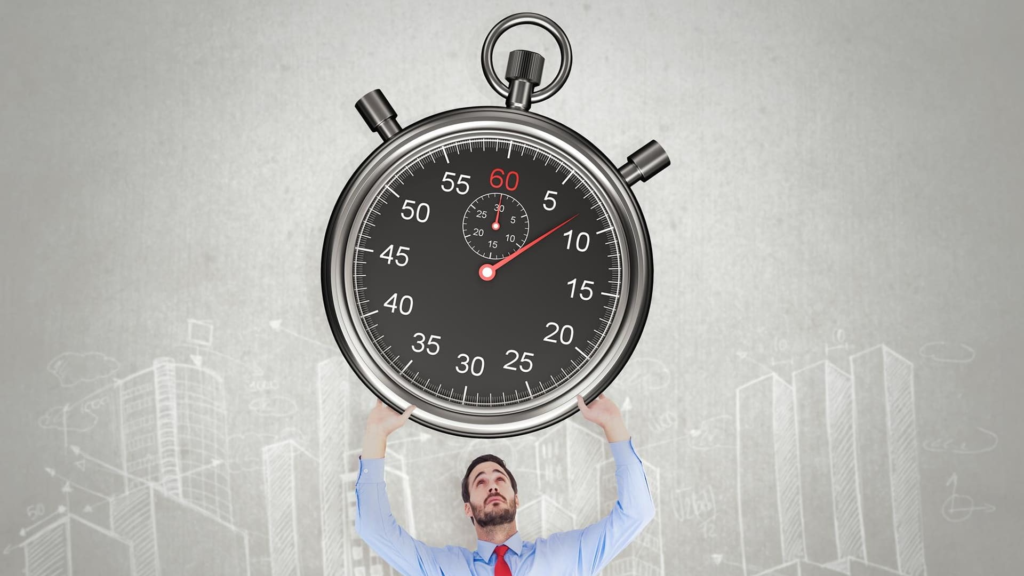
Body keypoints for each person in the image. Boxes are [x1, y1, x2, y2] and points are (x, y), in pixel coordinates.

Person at [354, 392, 656, 575]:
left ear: (516, 498)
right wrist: (376, 435)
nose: (492, 485)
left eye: (500, 479)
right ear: (468, 509)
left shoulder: (566, 558)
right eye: (481, 482)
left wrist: (613, 423)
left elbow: (636, 513)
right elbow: (374, 529)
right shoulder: (445, 569)